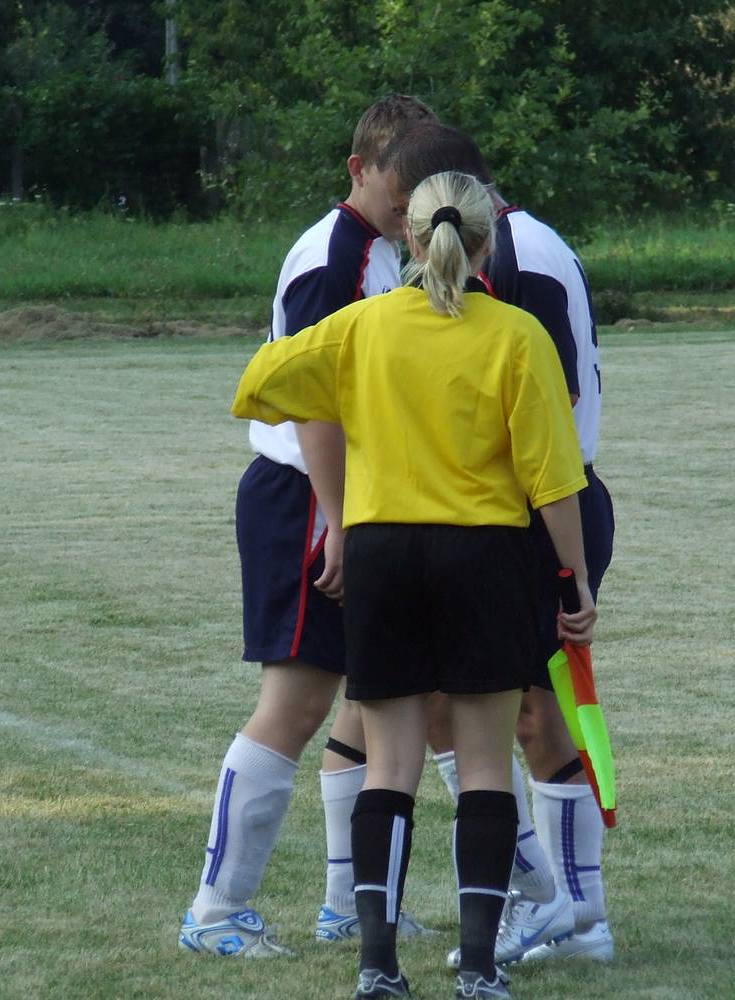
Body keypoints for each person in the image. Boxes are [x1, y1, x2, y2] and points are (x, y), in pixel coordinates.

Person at [233, 169, 600, 1000]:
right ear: (486, 243)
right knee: (484, 767)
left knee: (388, 766)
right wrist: (572, 581)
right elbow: (552, 478)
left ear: (409, 234)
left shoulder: (362, 326)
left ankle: (377, 966)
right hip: (484, 556)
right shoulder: (515, 335)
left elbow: (258, 384)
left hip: (382, 554)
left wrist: (347, 391)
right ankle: (477, 968)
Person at [178, 94, 437, 959]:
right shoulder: (335, 257)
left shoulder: (381, 250)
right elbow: (314, 402)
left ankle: (348, 906)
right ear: (359, 169)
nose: (409, 205)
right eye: (398, 187)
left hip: (345, 500)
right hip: (307, 500)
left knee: (371, 700)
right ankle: (214, 911)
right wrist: (338, 521)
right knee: (294, 705)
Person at [381, 123, 616, 966]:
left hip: (533, 513)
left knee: (526, 713)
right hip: (510, 511)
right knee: (463, 708)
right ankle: (550, 901)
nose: (401, 231)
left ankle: (570, 910)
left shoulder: (523, 257)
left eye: (402, 211)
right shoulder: (516, 246)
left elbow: (544, 408)